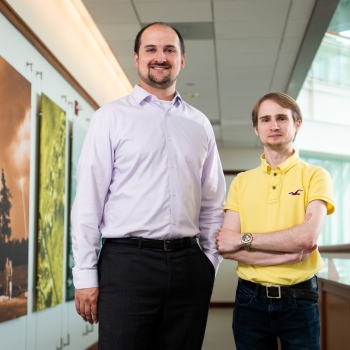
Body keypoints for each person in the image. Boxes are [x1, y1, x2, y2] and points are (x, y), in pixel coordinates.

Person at [72, 22, 225, 350]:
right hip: (127, 264)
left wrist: (208, 262)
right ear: (137, 59)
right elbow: (87, 202)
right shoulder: (109, 118)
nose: (161, 57)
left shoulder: (199, 125)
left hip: (189, 264)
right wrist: (85, 276)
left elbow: (213, 201)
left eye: (170, 49)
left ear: (182, 60)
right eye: (151, 49)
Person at [216, 92, 335, 350]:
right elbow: (226, 246)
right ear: (257, 129)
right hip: (249, 299)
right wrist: (285, 255)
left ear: (297, 124)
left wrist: (243, 240)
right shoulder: (242, 182)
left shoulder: (316, 176)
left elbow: (306, 238)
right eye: (265, 119)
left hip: (299, 299)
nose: (274, 125)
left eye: (282, 118)